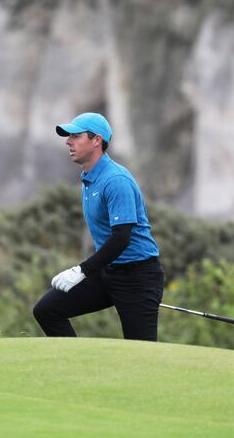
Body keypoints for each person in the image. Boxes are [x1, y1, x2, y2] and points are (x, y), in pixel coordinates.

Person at [32, 112, 165, 341]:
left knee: (141, 356)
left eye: (76, 136)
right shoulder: (89, 176)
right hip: (108, 272)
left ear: (96, 141)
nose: (68, 141)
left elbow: (121, 238)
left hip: (138, 277)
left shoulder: (116, 180)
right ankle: (78, 368)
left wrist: (81, 271)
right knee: (47, 310)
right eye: (68, 136)